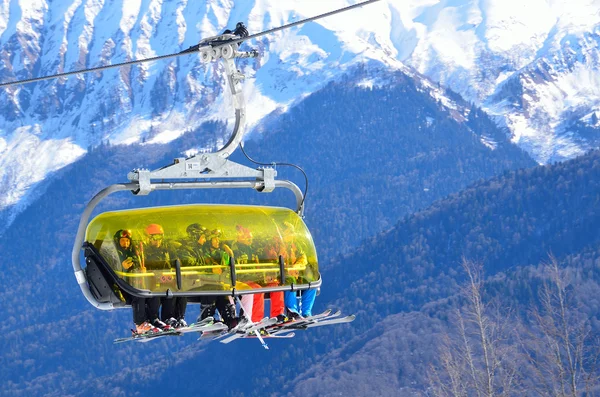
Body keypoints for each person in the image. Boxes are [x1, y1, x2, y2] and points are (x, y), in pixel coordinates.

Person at [181, 224, 238, 329]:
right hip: (188, 283)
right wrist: (209, 269)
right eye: (202, 237)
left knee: (219, 287)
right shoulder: (186, 250)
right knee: (212, 286)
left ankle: (229, 318)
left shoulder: (200, 249)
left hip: (199, 281)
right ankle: (206, 317)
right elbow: (190, 264)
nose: (204, 240)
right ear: (195, 237)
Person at [114, 229, 158, 334]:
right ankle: (140, 324)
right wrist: (122, 267)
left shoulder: (133, 254)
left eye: (128, 241)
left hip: (137, 282)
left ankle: (153, 320)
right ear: (118, 242)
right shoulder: (115, 254)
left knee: (154, 294)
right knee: (139, 295)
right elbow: (111, 270)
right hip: (122, 286)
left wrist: (143, 270)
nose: (126, 243)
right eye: (123, 241)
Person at [142, 223, 186, 329]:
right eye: (154, 238)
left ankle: (175, 318)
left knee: (180, 290)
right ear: (148, 238)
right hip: (152, 281)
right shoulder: (145, 251)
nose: (157, 241)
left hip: (167, 279)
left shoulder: (166, 249)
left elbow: (175, 261)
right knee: (158, 291)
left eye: (159, 237)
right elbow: (145, 266)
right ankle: (154, 319)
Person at [271, 222, 317, 319]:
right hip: (281, 276)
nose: (292, 235)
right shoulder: (275, 245)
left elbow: (302, 257)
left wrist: (296, 267)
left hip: (295, 273)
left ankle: (306, 312)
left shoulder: (295, 245)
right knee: (290, 280)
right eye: (289, 233)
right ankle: (292, 310)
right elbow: (272, 260)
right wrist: (287, 269)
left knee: (312, 281)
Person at [231, 225, 264, 323]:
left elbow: (253, 266)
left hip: (249, 277)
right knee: (256, 289)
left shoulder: (250, 249)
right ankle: (250, 319)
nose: (250, 239)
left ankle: (255, 320)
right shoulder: (235, 250)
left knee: (260, 288)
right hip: (240, 279)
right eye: (247, 237)